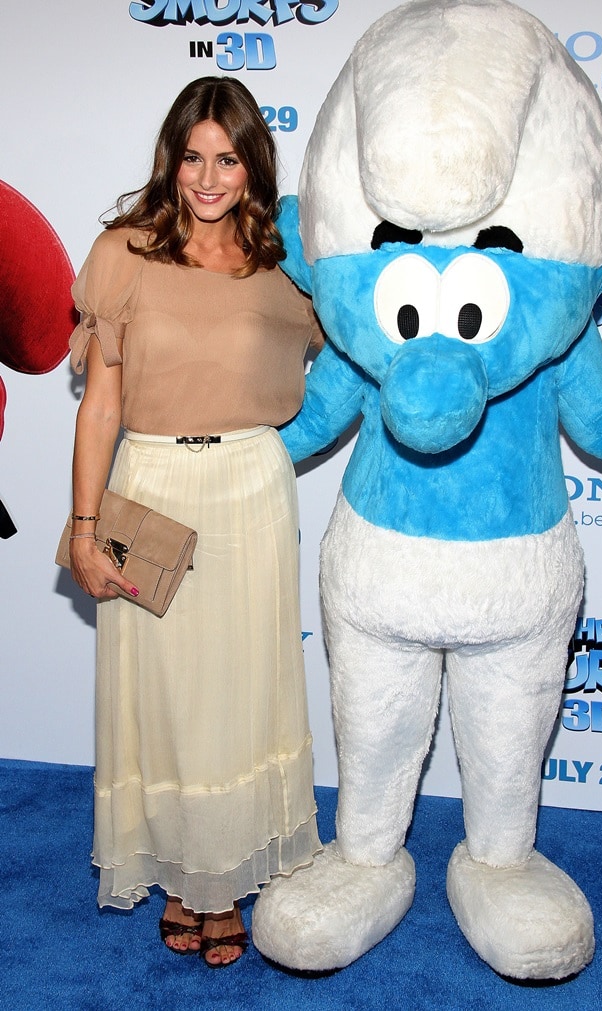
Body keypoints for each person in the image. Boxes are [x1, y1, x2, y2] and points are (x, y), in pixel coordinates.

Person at [67, 76, 323, 969]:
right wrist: (82, 521)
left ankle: (228, 874)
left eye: (229, 158)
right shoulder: (124, 252)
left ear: (254, 166)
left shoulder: (288, 260)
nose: (209, 177)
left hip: (253, 482)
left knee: (245, 689)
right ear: (170, 159)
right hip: (153, 486)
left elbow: (348, 357)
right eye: (193, 156)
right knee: (166, 696)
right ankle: (183, 879)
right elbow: (99, 404)